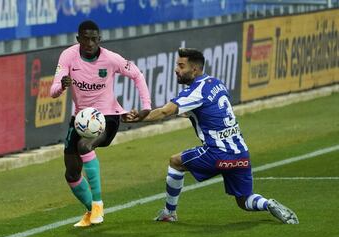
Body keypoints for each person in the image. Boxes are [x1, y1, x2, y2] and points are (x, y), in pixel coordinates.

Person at [126, 48, 299, 224]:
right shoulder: (217, 83)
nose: (176, 70)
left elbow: (164, 112)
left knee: (175, 162)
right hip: (240, 154)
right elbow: (209, 110)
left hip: (217, 153)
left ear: (194, 69)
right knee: (244, 201)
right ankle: (267, 203)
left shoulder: (194, 91)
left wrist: (139, 117)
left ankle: (169, 213)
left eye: (181, 66)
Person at [50, 20, 151, 227]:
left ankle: (98, 204)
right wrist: (61, 86)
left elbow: (137, 75)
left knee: (84, 145)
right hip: (80, 119)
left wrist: (146, 106)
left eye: (94, 39)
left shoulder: (111, 59)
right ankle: (90, 210)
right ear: (78, 39)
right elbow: (53, 90)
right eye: (85, 39)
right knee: (71, 172)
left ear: (99, 40)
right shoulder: (68, 56)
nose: (89, 43)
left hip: (108, 117)